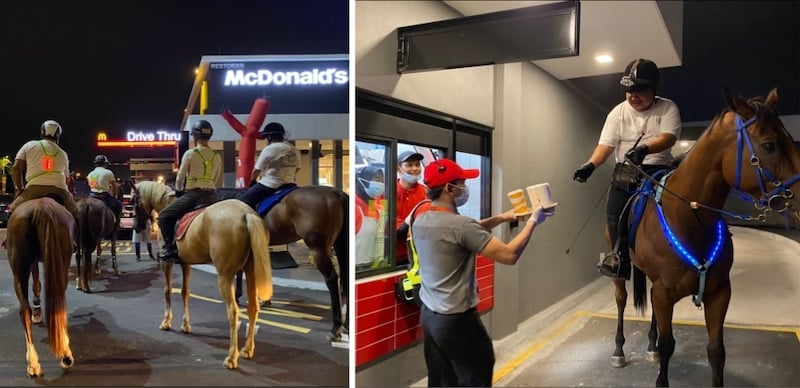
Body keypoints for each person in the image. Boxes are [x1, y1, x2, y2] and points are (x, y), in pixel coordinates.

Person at [413, 158, 555, 387]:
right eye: (461, 183)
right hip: (457, 320)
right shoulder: (460, 226)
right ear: (449, 188)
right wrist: (532, 222)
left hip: (430, 317)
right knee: (477, 373)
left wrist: (501, 217)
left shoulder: (421, 220)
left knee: (442, 379)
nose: (464, 187)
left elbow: (464, 230)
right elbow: (508, 255)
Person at [572, 58, 681, 279]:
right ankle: (619, 258)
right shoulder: (617, 113)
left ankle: (680, 253)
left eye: (639, 90)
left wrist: (645, 149)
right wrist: (591, 165)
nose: (633, 96)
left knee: (682, 205)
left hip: (658, 170)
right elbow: (606, 145)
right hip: (626, 172)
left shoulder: (668, 107)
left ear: (653, 89)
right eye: (628, 90)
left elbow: (669, 138)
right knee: (612, 212)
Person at [157, 119, 221, 262]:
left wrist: (179, 190)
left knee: (164, 216)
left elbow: (180, 176)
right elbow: (215, 177)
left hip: (194, 195)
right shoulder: (217, 156)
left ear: (195, 136)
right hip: (211, 196)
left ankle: (170, 248)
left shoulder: (191, 153)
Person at [8, 119, 79, 221]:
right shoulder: (63, 153)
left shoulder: (29, 145)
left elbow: (16, 168)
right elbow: (67, 179)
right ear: (58, 135)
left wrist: (20, 189)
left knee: (12, 211)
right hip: (60, 190)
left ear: (42, 132)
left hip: (33, 189)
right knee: (76, 216)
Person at [237, 122, 301, 211]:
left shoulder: (270, 148)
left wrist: (253, 181)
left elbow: (256, 170)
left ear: (269, 137)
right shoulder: (294, 149)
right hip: (290, 184)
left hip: (269, 184)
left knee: (241, 203)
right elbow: (297, 168)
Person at [395, 150, 427, 267]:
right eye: (409, 165)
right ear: (398, 168)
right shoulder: (386, 192)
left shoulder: (426, 192)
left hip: (421, 255)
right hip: (393, 257)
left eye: (417, 164)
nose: (415, 169)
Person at [355, 165, 386, 270]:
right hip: (358, 268)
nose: (380, 184)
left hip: (375, 267)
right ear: (361, 181)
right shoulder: (354, 208)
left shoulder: (376, 207)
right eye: (376, 179)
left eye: (382, 181)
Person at [87, 154, 122, 226]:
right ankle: (116, 224)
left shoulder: (90, 174)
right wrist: (114, 196)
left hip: (92, 195)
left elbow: (90, 185)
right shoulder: (108, 172)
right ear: (105, 164)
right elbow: (114, 186)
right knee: (118, 205)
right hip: (104, 196)